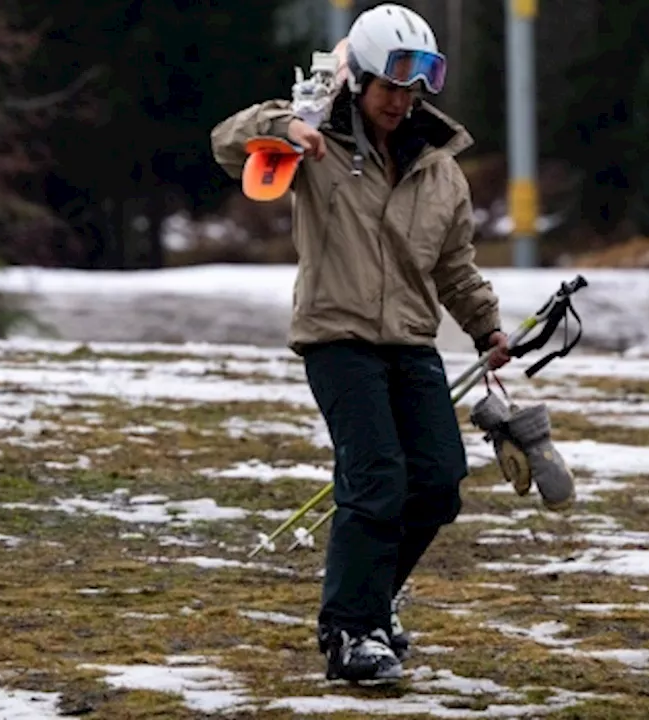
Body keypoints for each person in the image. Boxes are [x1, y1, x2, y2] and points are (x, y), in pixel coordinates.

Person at [210, 3, 510, 683]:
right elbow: (227, 142)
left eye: (413, 90)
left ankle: (374, 603)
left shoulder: (441, 171)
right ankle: (349, 633)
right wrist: (284, 125)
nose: (400, 102)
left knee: (437, 485)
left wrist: (486, 326)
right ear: (360, 81)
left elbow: (454, 267)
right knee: (376, 480)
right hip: (337, 337)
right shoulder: (317, 143)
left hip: (411, 340)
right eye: (388, 88)